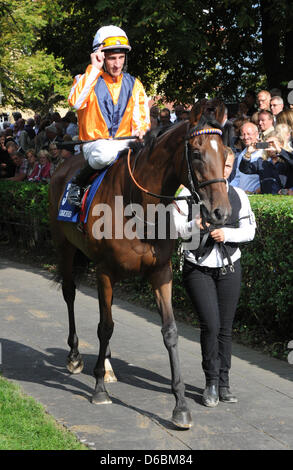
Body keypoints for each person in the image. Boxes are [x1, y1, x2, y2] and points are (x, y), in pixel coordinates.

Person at [172, 148, 256, 407]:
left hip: (230, 267)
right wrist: (192, 227)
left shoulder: (239, 195)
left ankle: (224, 382)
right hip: (198, 266)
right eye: (220, 165)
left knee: (225, 329)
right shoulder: (187, 193)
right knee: (210, 324)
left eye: (229, 166)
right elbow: (173, 227)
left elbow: (249, 230)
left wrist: (227, 235)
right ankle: (210, 383)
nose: (224, 171)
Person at [67, 25, 150, 207]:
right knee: (106, 154)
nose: (117, 64)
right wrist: (94, 69)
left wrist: (142, 131)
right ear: (100, 56)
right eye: (112, 58)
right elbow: (76, 102)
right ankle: (78, 182)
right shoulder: (84, 79)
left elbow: (142, 120)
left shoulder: (135, 84)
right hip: (96, 145)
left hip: (125, 143)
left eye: (121, 57)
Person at [230, 122, 263, 193]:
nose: (245, 137)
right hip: (243, 197)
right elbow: (238, 178)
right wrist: (229, 189)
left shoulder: (263, 152)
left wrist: (255, 193)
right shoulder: (242, 154)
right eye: (243, 134)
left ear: (257, 134)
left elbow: (267, 179)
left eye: (248, 134)